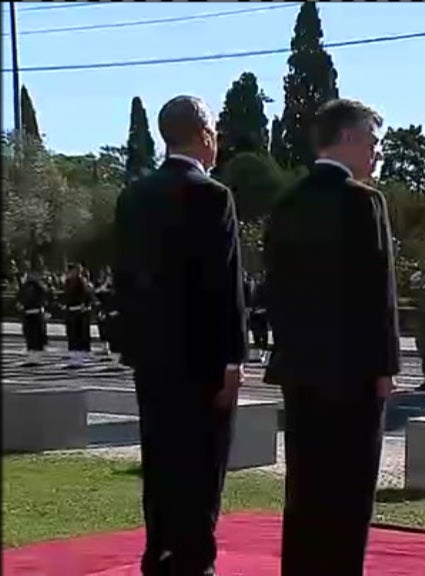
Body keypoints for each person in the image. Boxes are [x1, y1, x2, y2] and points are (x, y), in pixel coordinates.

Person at [263, 98, 399, 575]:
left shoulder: (287, 202)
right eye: (372, 141)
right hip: (352, 373)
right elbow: (378, 294)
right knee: (348, 495)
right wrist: (385, 367)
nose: (377, 153)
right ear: (347, 138)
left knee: (305, 489)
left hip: (300, 369)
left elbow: (275, 289)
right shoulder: (364, 202)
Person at [114, 95, 247, 576]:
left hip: (152, 359)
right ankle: (194, 562)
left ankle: (160, 554)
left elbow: (125, 280)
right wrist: (233, 359)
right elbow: (224, 285)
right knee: (202, 468)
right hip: (202, 361)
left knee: (160, 460)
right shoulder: (213, 195)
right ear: (204, 134)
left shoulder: (134, 196)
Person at [62, 263, 94, 366]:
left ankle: (79, 357)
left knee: (78, 335)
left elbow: (86, 295)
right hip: (72, 311)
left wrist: (85, 305)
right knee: (72, 335)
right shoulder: (68, 282)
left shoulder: (81, 281)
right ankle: (74, 356)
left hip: (78, 311)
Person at [17, 264, 50, 357]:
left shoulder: (27, 287)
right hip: (36, 314)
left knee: (32, 337)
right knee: (36, 337)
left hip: (31, 314)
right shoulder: (38, 286)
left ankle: (33, 351)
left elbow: (22, 299)